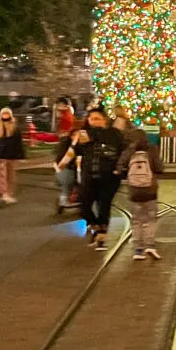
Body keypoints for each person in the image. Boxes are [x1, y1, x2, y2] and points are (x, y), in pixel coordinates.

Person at [58, 107, 124, 250]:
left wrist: (120, 168)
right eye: (91, 118)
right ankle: (95, 226)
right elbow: (73, 150)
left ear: (104, 120)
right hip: (89, 175)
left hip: (109, 176)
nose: (94, 121)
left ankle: (101, 234)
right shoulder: (83, 134)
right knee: (84, 203)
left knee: (104, 205)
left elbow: (123, 150)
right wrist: (62, 163)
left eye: (97, 118)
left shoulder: (114, 134)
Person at [118, 128, 163, 260]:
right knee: (151, 218)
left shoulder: (128, 152)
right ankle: (150, 245)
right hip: (150, 190)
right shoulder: (152, 150)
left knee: (136, 220)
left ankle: (138, 249)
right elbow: (159, 168)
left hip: (134, 191)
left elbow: (120, 167)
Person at [0, 107, 26, 204]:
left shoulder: (15, 128)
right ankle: (4, 193)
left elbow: (18, 143)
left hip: (12, 155)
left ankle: (10, 193)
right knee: (2, 175)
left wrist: (21, 156)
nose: (5, 116)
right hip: (0, 155)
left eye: (7, 114)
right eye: (4, 114)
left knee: (11, 175)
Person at [55, 122, 82, 215]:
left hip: (77, 170)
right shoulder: (67, 145)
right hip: (67, 169)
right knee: (67, 182)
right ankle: (64, 200)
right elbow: (63, 160)